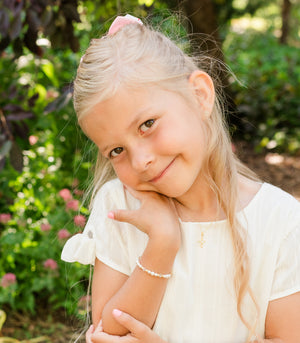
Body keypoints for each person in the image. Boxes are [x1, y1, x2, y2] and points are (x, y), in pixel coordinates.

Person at [61, 14, 300, 343]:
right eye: (116, 150)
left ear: (200, 95)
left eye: (147, 124)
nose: (141, 160)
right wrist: (161, 243)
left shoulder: (280, 220)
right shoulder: (121, 207)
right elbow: (108, 334)